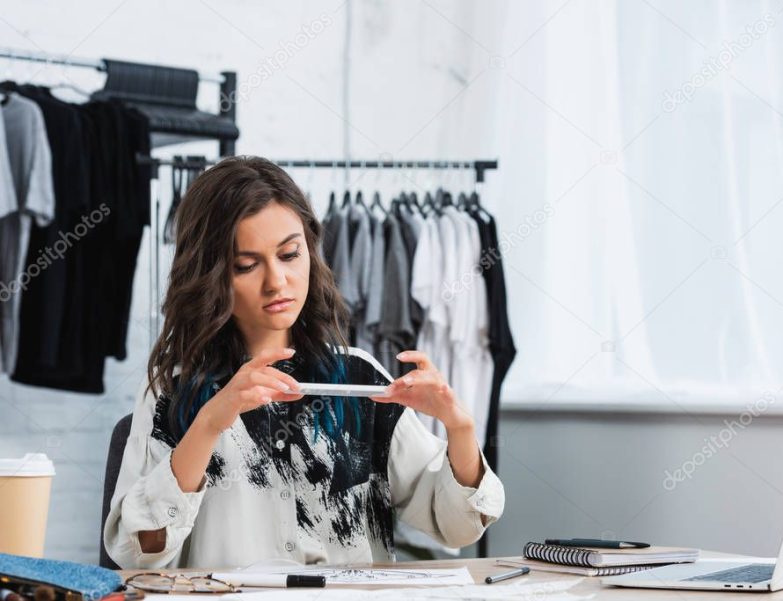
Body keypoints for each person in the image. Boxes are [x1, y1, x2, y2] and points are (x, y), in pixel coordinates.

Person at [103, 156, 504, 569]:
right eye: (246, 264)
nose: (276, 280)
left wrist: (460, 427)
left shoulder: (359, 380)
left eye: (290, 254)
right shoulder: (173, 395)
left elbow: (457, 525)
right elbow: (138, 554)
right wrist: (209, 424)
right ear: (213, 273)